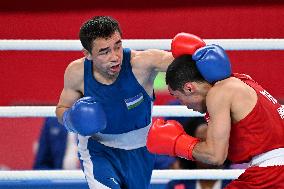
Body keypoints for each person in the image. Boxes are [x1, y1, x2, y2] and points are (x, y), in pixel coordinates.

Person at [147, 33, 284, 188]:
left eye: (178, 97)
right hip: (271, 171)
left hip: (274, 172)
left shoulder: (218, 93)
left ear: (189, 88)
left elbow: (215, 156)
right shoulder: (240, 80)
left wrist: (177, 143)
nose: (184, 105)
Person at [55, 16, 173, 189]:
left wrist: (197, 56)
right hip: (98, 149)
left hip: (140, 149)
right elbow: (62, 109)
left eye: (117, 46)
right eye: (104, 52)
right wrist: (72, 120)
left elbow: (180, 64)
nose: (115, 57)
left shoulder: (141, 63)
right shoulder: (77, 72)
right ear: (88, 54)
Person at [166, 117, 231, 189]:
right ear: (188, 147)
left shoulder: (239, 181)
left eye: (212, 142)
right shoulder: (176, 185)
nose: (207, 149)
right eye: (200, 142)